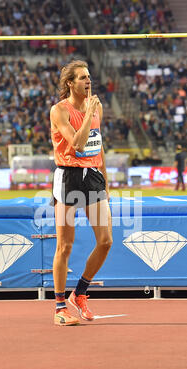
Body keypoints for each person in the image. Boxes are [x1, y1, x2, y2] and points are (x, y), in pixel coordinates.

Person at [50, 60, 112, 326]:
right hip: (68, 176)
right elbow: (76, 143)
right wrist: (88, 114)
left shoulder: (95, 108)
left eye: (89, 77)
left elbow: (97, 145)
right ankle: (60, 307)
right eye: (82, 78)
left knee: (106, 240)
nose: (88, 81)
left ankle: (81, 292)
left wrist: (106, 183)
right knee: (65, 245)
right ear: (70, 84)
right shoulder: (59, 110)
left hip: (93, 175)